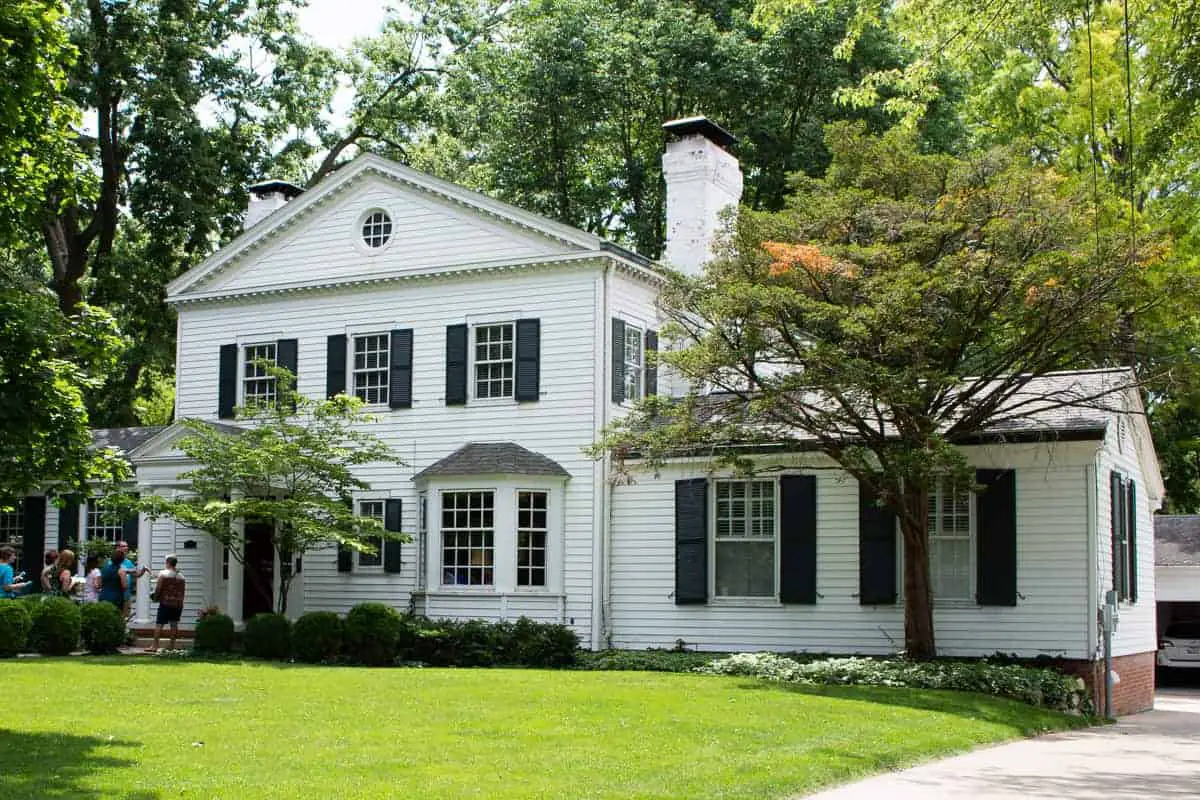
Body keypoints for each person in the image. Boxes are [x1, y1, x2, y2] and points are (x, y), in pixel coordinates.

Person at [149, 555, 186, 652]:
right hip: (178, 604)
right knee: (174, 624)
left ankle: (154, 646)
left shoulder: (163, 574)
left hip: (165, 603)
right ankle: (172, 646)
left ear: (168, 562)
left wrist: (155, 597)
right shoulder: (181, 576)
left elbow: (158, 588)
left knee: (159, 624)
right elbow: (182, 591)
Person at [113, 540, 149, 618]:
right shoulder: (113, 561)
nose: (126, 548)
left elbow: (137, 574)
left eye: (127, 546)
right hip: (115, 596)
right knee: (115, 618)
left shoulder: (128, 562)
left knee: (125, 618)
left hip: (126, 596)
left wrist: (143, 570)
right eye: (124, 546)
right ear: (117, 548)